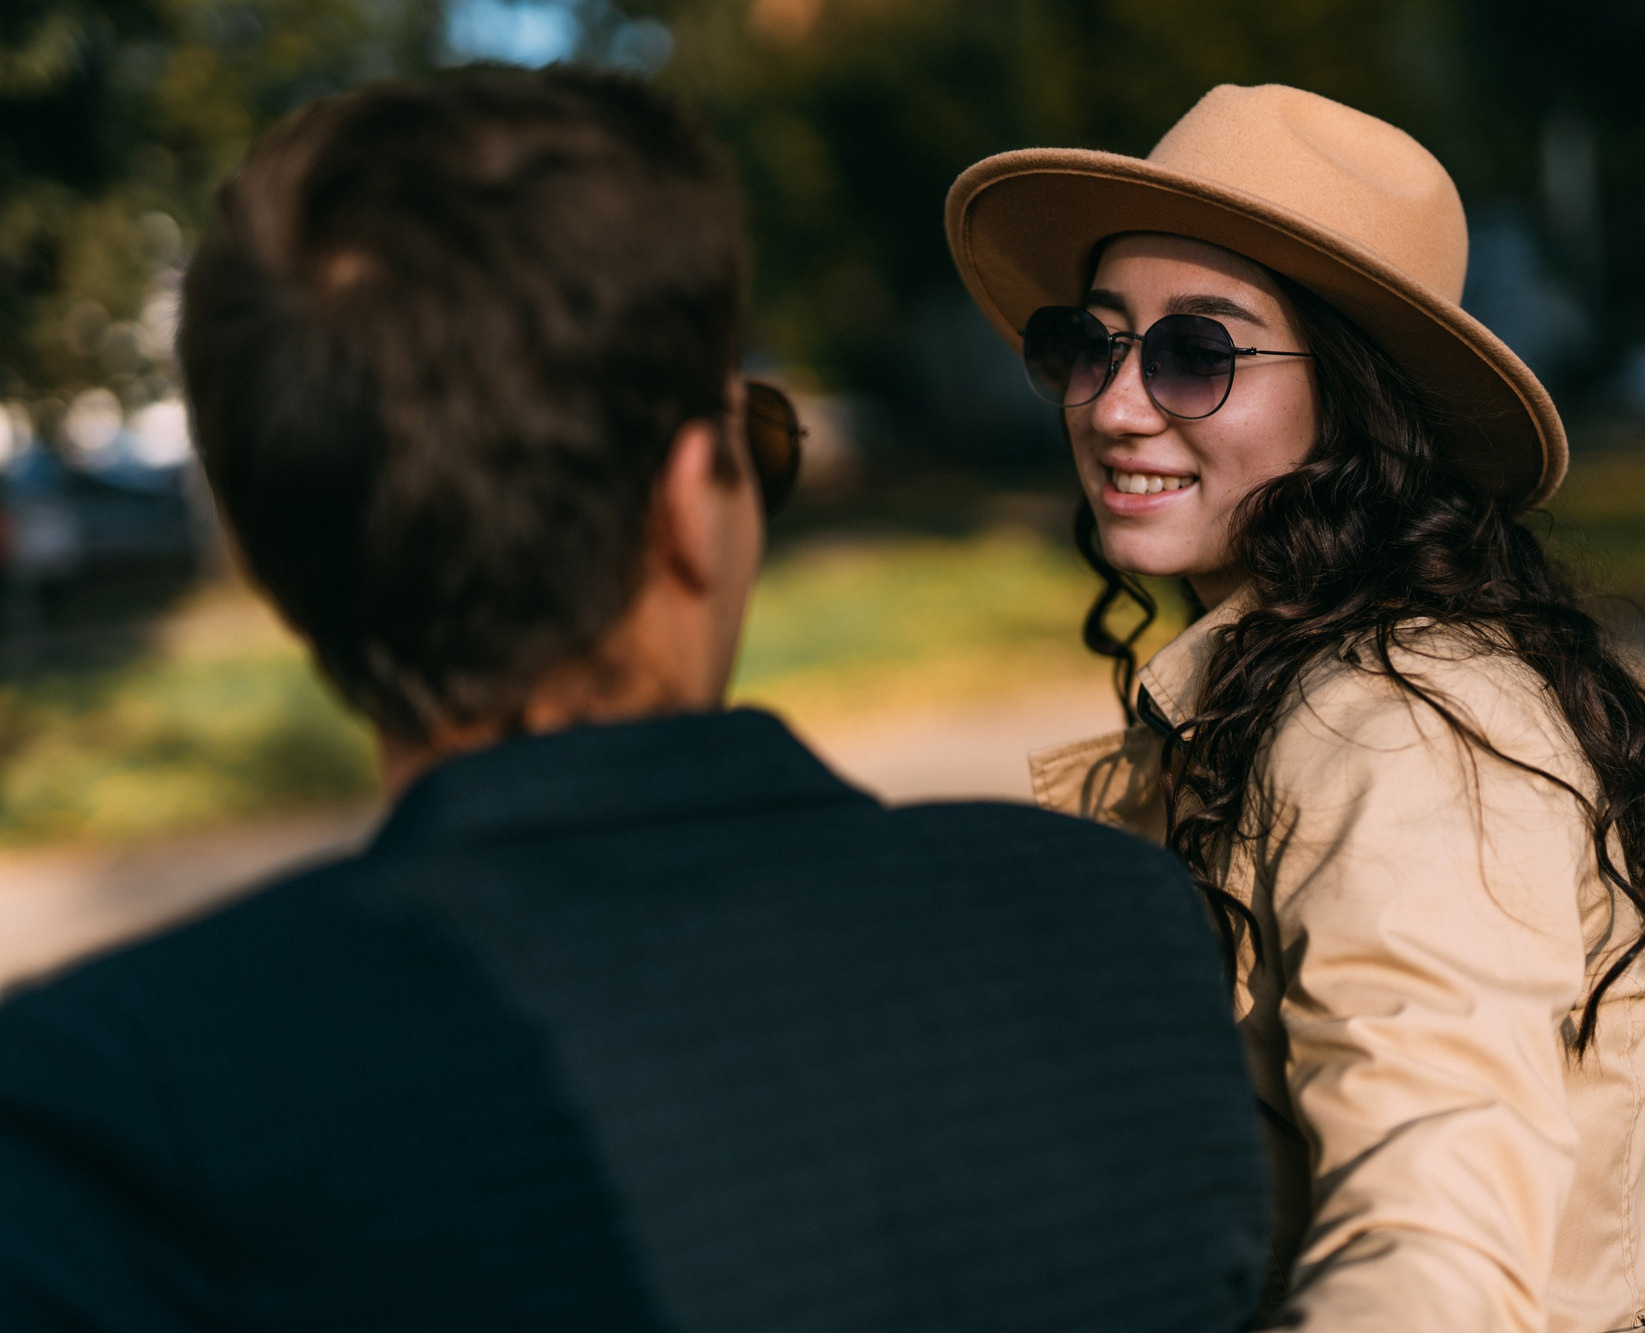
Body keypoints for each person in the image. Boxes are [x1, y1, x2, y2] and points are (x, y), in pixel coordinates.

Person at [0, 69, 1272, 1332]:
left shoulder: (109, 1110)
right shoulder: (1112, 933)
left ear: (276, 561)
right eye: (753, 439)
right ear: (685, 500)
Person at [948, 84, 1645, 1332]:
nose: (1112, 404)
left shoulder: (1398, 725)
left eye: (1193, 352)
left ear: (1350, 393)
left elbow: (1432, 1235)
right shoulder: (1266, 676)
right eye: (1093, 339)